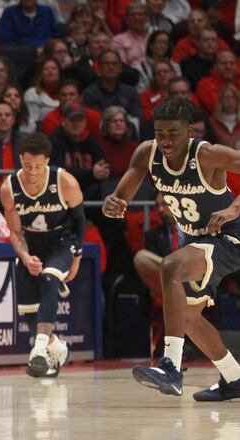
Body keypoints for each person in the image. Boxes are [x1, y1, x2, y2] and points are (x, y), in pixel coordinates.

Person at [103, 98, 240, 401]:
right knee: (188, 318)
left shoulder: (207, 155)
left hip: (228, 237)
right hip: (194, 240)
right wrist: (116, 200)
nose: (165, 141)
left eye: (173, 134)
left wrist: (233, 209)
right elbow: (126, 187)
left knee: (170, 266)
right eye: (160, 133)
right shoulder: (146, 153)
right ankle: (234, 377)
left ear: (189, 131)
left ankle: (171, 367)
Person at [0, 132, 83, 378]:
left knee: (49, 277)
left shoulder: (65, 182)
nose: (32, 171)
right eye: (27, 165)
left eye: (38, 166)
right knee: (28, 312)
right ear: (20, 160)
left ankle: (37, 350)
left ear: (47, 161)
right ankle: (57, 349)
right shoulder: (9, 188)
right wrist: (25, 257)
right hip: (32, 242)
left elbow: (79, 222)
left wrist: (76, 257)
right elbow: (15, 233)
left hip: (62, 240)